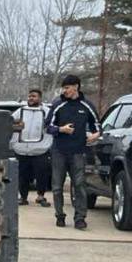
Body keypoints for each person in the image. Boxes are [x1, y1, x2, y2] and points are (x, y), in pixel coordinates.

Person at [45, 75, 100, 230]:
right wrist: (61, 129)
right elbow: (47, 126)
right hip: (59, 151)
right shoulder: (58, 105)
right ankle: (60, 215)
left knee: (80, 185)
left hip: (78, 151)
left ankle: (80, 218)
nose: (65, 91)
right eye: (64, 88)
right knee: (57, 186)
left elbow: (97, 124)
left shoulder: (86, 105)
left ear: (76, 87)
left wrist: (95, 134)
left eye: (67, 87)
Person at [10, 88, 52, 207]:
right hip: (22, 149)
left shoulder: (47, 112)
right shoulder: (20, 111)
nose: (31, 98)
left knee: (42, 174)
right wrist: (16, 127)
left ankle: (41, 196)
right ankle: (23, 197)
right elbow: (9, 123)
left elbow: (52, 126)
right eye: (29, 96)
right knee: (23, 175)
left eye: (34, 96)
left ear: (40, 98)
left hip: (40, 150)